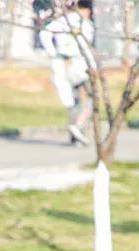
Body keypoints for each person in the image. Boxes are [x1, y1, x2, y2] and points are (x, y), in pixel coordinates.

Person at [38, 0, 95, 145]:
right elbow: (86, 48)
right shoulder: (84, 24)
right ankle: (77, 126)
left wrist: (53, 52)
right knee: (90, 97)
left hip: (64, 63)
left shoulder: (63, 20)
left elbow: (44, 33)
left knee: (73, 100)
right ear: (86, 10)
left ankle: (75, 133)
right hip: (78, 65)